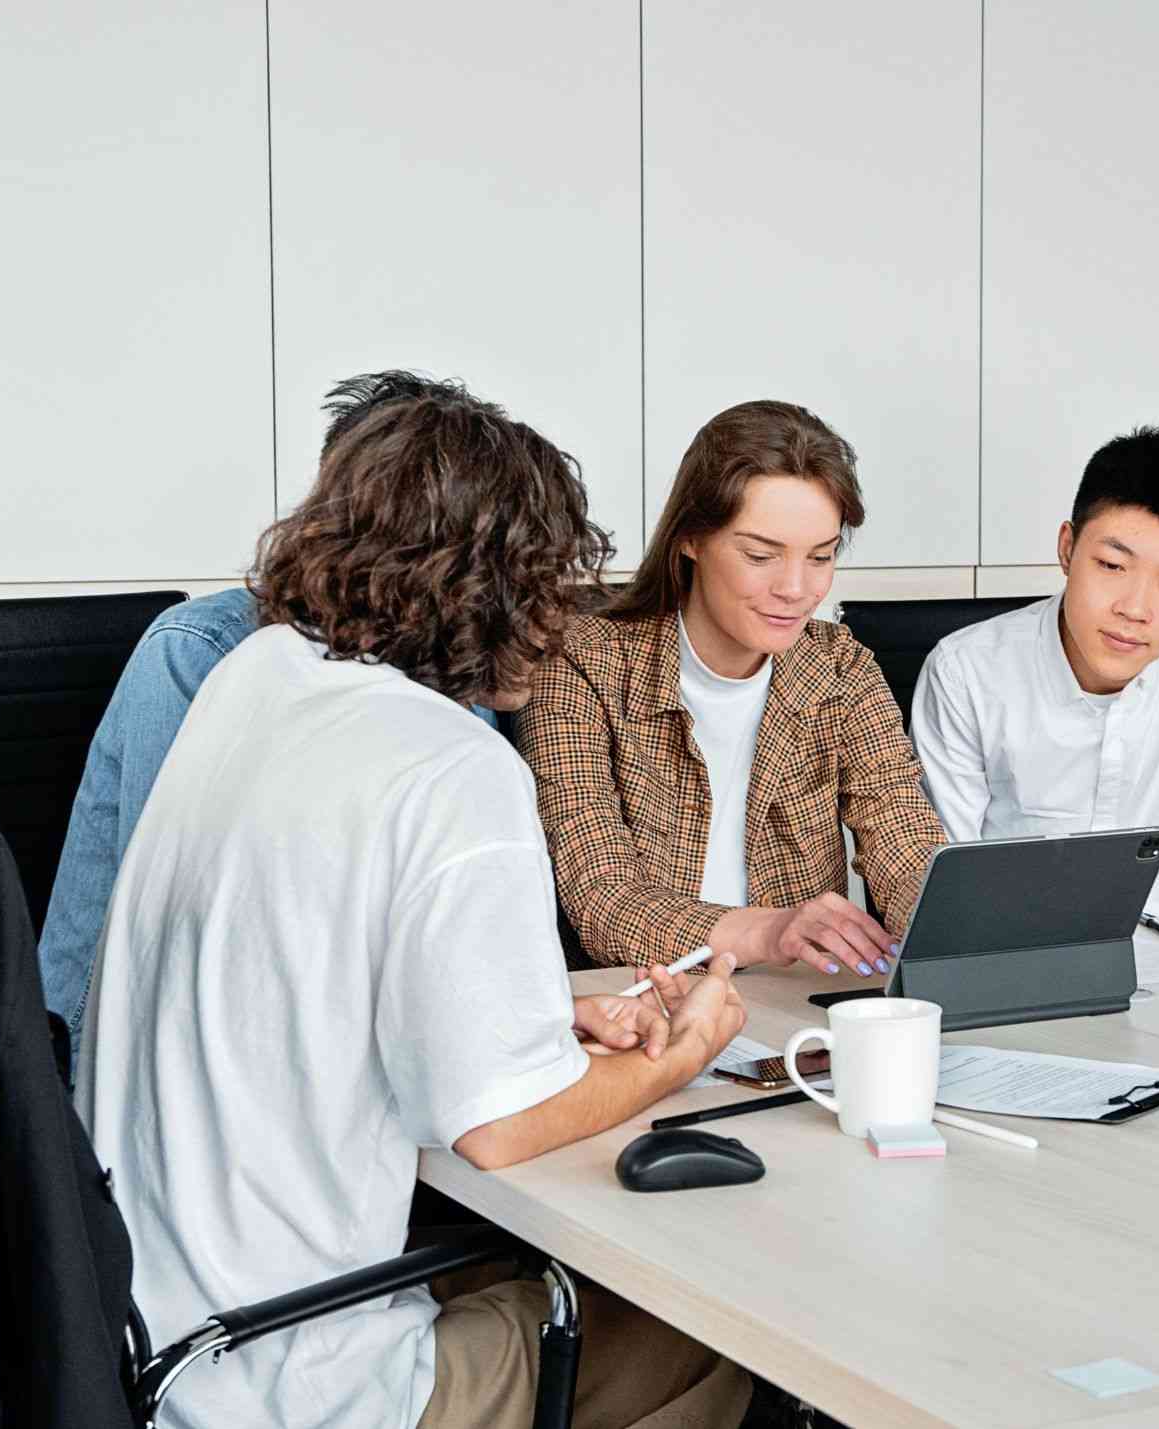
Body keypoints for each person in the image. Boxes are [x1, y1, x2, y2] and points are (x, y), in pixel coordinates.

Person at [75, 386, 754, 1429]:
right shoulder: (450, 765)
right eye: (549, 576)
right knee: (710, 1325)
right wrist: (682, 1048)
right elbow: (496, 1127)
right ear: (495, 586)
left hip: (145, 1334)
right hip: (291, 1380)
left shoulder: (254, 678)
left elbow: (306, 960)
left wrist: (532, 1014)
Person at [37, 371, 495, 1075]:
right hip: (121, 1071)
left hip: (341, 1047)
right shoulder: (204, 653)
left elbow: (462, 909)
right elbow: (190, 947)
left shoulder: (451, 658)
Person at [519, 399, 946, 977]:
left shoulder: (840, 666)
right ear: (690, 538)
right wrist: (773, 929)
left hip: (795, 1005)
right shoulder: (584, 663)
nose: (795, 588)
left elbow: (903, 838)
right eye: (760, 555)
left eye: (820, 557)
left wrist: (946, 924)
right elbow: (602, 894)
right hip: (646, 1007)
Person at [911, 426, 1159, 915]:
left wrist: (1054, 896)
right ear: (1068, 548)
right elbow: (944, 887)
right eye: (1113, 566)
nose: (1135, 609)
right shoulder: (966, 670)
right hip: (1013, 963)